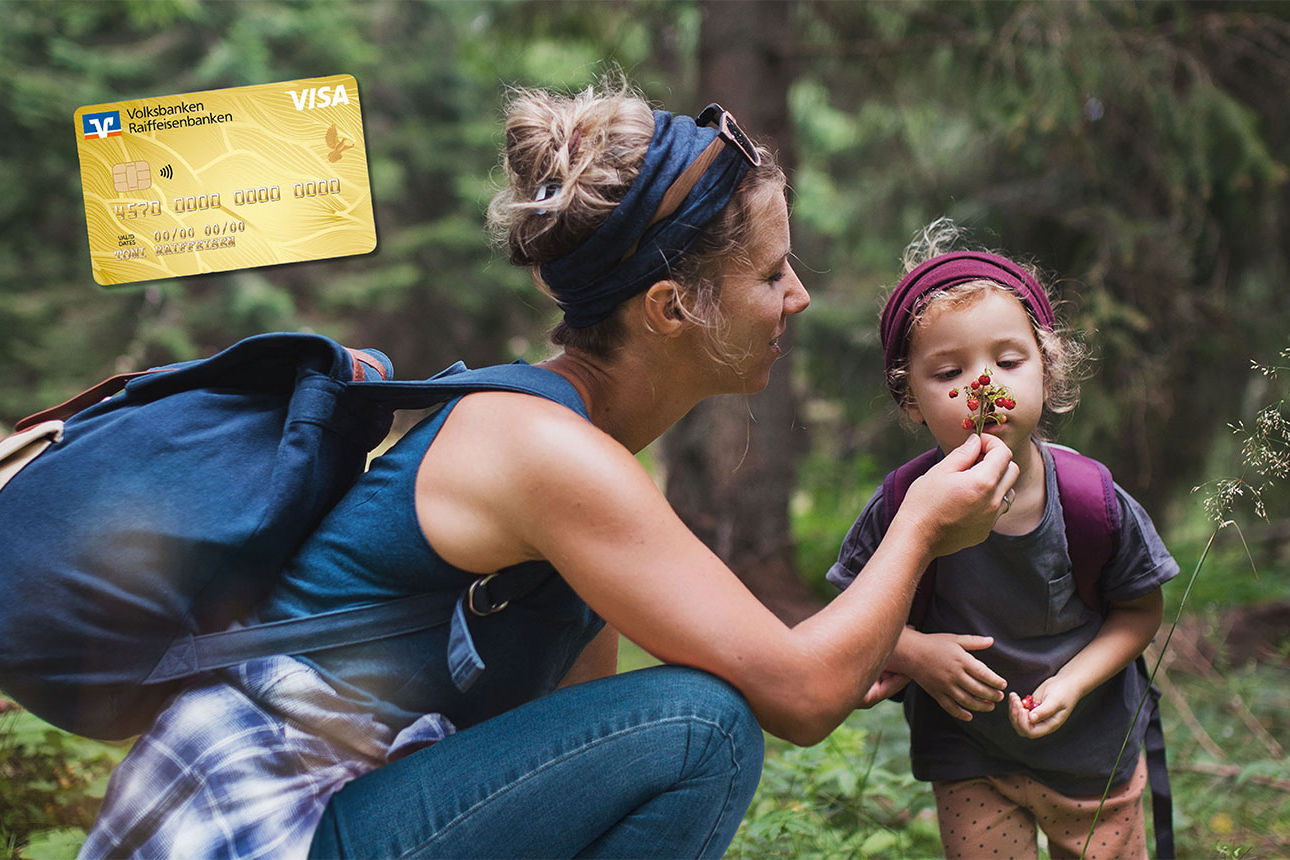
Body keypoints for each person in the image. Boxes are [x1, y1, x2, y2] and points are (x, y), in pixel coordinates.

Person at [81, 88, 1016, 860]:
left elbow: (585, 734)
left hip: (318, 815)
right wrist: (922, 524)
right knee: (701, 728)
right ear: (670, 308)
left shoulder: (574, 450)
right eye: (771, 274)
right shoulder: (541, 450)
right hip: (252, 828)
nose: (798, 296)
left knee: (680, 717)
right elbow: (802, 701)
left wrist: (853, 639)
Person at [826, 220, 1179, 860]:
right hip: (970, 760)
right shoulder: (898, 506)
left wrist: (1073, 682)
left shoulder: (1091, 498)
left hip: (1093, 757)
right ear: (910, 399)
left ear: (1047, 369)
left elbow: (1140, 610)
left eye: (1008, 361)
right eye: (949, 371)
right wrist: (915, 653)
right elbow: (849, 616)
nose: (982, 387)